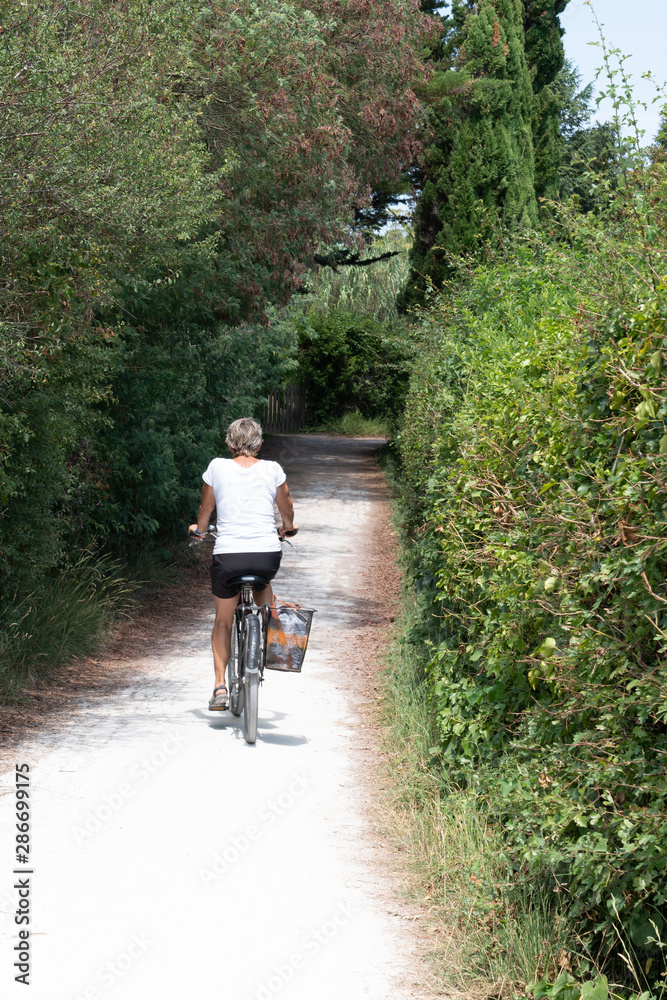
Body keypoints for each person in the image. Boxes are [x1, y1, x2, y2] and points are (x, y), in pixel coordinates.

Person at [189, 417, 296, 710]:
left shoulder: (216, 467)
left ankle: (220, 687)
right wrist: (286, 526)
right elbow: (286, 508)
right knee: (265, 581)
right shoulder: (273, 469)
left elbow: (205, 509)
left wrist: (199, 531)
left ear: (228, 443)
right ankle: (265, 632)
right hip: (265, 556)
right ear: (259, 444)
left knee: (223, 620)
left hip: (229, 557)